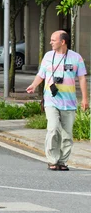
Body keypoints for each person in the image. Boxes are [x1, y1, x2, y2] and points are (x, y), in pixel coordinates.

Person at [26, 30, 89, 171]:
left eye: (53, 40)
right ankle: (52, 160)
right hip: (51, 100)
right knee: (53, 129)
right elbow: (41, 74)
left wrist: (85, 99)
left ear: (63, 42)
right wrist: (33, 85)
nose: (50, 42)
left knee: (67, 135)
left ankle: (62, 161)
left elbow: (82, 78)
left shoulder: (76, 58)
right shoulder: (48, 56)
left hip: (69, 102)